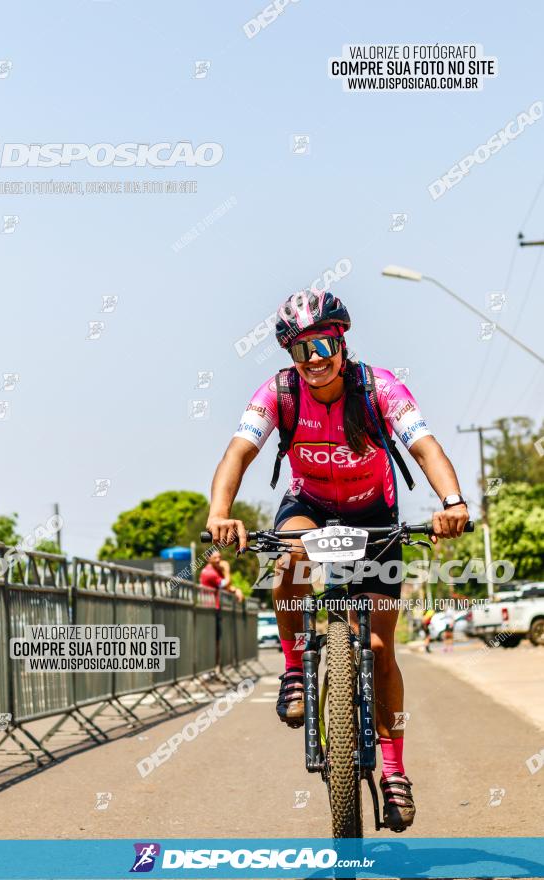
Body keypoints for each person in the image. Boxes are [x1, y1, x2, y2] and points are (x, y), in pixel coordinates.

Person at [205, 289, 469, 832]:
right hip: (310, 508)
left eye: (324, 344)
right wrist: (220, 512)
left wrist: (452, 502)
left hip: (374, 516)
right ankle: (297, 670)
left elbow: (424, 446)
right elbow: (238, 451)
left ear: (342, 340)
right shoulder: (278, 394)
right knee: (289, 559)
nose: (315, 359)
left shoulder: (380, 388)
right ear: (290, 358)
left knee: (378, 646)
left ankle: (395, 771)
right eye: (301, 351)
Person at [199, 550, 243, 676]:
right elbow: (225, 584)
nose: (219, 560)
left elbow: (226, 587)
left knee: (216, 640)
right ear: (208, 559)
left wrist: (236, 590)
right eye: (215, 557)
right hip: (210, 610)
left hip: (213, 609)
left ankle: (213, 670)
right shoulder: (209, 572)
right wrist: (227, 570)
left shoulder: (214, 571)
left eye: (220, 557)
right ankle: (209, 671)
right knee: (213, 641)